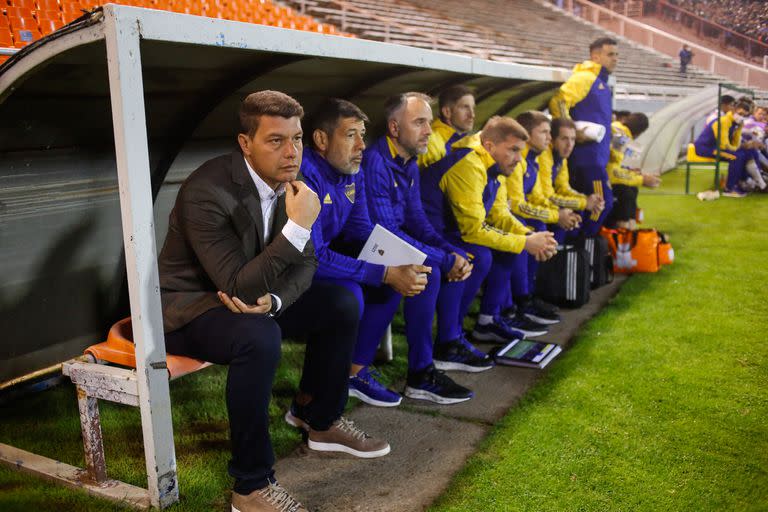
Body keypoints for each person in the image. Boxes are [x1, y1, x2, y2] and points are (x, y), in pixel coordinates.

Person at [158, 90, 389, 512]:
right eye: (276, 140)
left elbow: (307, 265)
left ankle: (319, 420)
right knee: (259, 337)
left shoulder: (292, 185)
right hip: (191, 308)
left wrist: (278, 300)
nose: (291, 152)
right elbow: (236, 286)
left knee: (340, 301)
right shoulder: (206, 190)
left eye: (297, 139)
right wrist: (299, 226)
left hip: (254, 294)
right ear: (245, 144)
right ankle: (250, 486)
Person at [301, 98, 492, 410]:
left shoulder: (358, 168)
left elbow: (380, 226)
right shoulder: (327, 171)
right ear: (321, 139)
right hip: (300, 271)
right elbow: (322, 251)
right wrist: (401, 268)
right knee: (400, 277)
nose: (362, 144)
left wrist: (445, 252)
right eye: (351, 135)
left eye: (363, 134)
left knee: (416, 269)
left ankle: (433, 352)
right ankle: (401, 372)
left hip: (340, 252)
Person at [361, 92, 487, 405]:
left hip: (387, 242)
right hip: (367, 247)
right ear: (394, 128)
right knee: (427, 271)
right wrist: (443, 259)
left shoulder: (409, 162)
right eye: (419, 123)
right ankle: (420, 373)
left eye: (429, 123)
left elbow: (417, 220)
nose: (429, 131)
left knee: (457, 259)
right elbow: (386, 231)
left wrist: (450, 252)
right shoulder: (376, 162)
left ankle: (443, 348)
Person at [419, 116, 558, 344]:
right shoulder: (470, 164)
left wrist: (528, 236)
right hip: (428, 234)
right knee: (477, 255)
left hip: (452, 231)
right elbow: (473, 231)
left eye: (520, 151)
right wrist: (525, 242)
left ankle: (487, 320)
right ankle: (449, 340)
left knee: (508, 247)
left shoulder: (495, 166)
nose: (518, 158)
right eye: (513, 150)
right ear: (490, 146)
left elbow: (500, 214)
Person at [505, 111, 579, 327]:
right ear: (527, 134)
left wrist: (563, 211)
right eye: (545, 133)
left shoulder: (532, 160)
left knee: (541, 225)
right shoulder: (520, 159)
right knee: (530, 233)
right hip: (505, 221)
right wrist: (557, 214)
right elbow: (517, 204)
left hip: (515, 218)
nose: (549, 138)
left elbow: (538, 196)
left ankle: (529, 295)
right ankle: (517, 303)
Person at [549, 37, 618, 237]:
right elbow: (559, 101)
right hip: (587, 159)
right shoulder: (585, 78)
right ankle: (579, 240)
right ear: (595, 56)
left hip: (595, 158)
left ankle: (574, 243)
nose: (616, 59)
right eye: (610, 54)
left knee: (594, 204)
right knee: (602, 204)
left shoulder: (601, 82)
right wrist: (569, 130)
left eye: (617, 54)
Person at [537, 118, 605, 244]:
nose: (569, 144)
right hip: (533, 205)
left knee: (578, 213)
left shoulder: (561, 158)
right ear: (552, 139)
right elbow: (548, 197)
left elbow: (564, 188)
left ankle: (572, 250)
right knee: (567, 215)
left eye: (573, 139)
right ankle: (555, 255)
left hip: (543, 203)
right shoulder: (544, 156)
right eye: (564, 139)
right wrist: (584, 203)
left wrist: (586, 198)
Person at [605, 112, 660, 229]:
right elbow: (613, 172)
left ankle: (628, 230)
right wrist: (642, 179)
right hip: (605, 181)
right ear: (640, 132)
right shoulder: (622, 137)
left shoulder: (616, 128)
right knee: (627, 192)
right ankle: (625, 231)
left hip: (604, 177)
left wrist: (636, 174)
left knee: (631, 190)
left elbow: (622, 167)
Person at [693, 98, 752, 197]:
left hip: (717, 148)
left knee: (744, 153)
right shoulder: (723, 121)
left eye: (745, 115)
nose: (742, 117)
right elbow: (723, 144)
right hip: (706, 149)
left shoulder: (737, 123)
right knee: (735, 157)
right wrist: (737, 148)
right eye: (740, 114)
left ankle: (741, 182)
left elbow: (735, 142)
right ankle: (728, 189)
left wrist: (739, 145)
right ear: (733, 110)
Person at [418, 84, 476, 169]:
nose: (472, 115)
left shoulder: (467, 144)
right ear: (447, 112)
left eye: (473, 108)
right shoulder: (431, 143)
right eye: (465, 107)